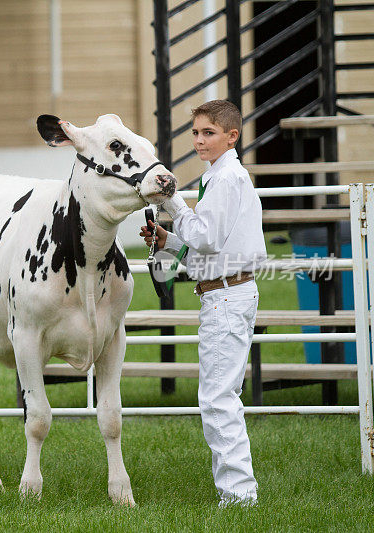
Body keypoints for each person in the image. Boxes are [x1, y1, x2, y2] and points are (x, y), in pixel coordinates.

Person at [140, 99, 267, 507]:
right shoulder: (222, 177)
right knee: (220, 395)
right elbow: (210, 248)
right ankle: (237, 493)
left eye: (208, 132)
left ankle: (239, 496)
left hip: (226, 296)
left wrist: (173, 203)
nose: (199, 140)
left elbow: (207, 237)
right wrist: (168, 241)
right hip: (226, 290)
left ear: (232, 136)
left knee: (218, 398)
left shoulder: (227, 178)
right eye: (195, 132)